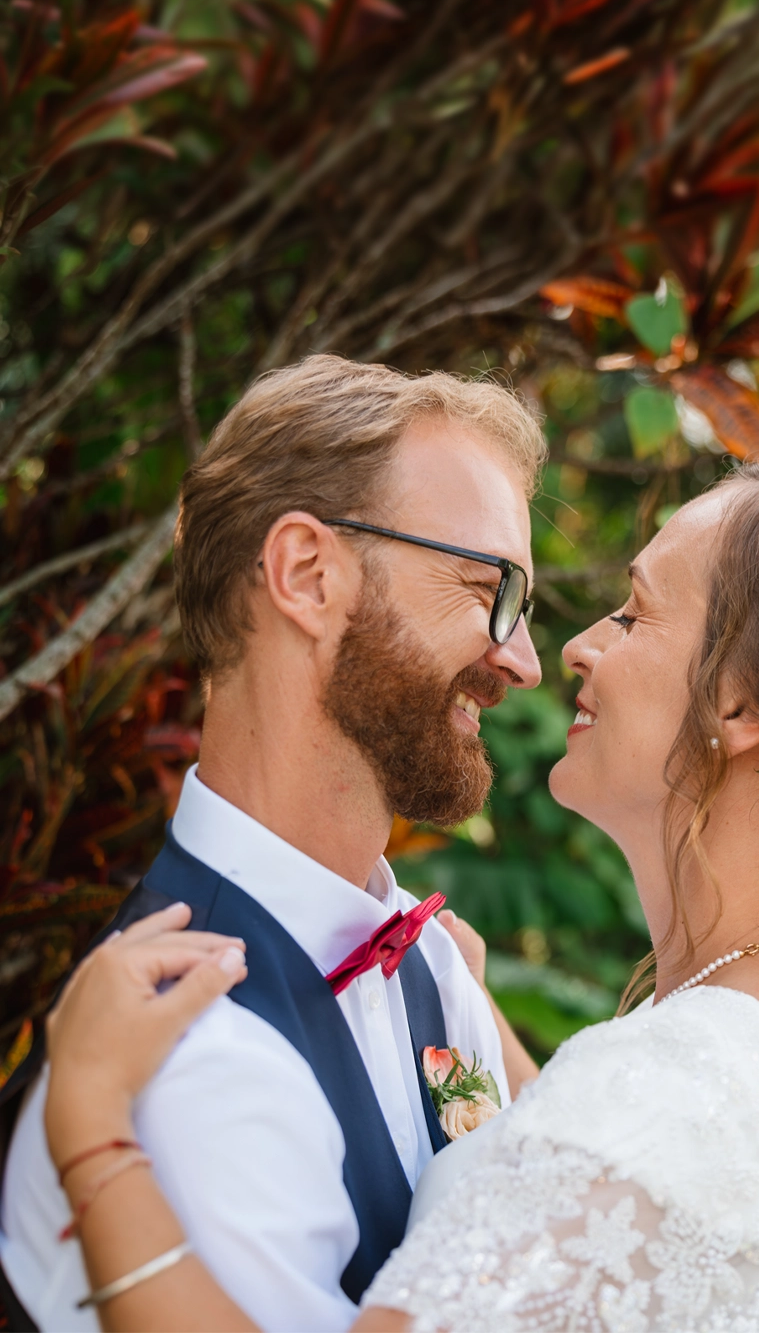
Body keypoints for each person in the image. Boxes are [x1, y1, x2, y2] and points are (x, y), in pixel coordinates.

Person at [33, 459, 759, 1332]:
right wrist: (494, 1039)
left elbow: (632, 1147)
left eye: (635, 613)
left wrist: (90, 1127)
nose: (571, 648)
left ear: (743, 707)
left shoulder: (667, 1097)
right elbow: (644, 1233)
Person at [0, 357, 548, 1331]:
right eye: (488, 587)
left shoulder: (433, 960)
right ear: (306, 574)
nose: (523, 659)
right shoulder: (194, 1060)